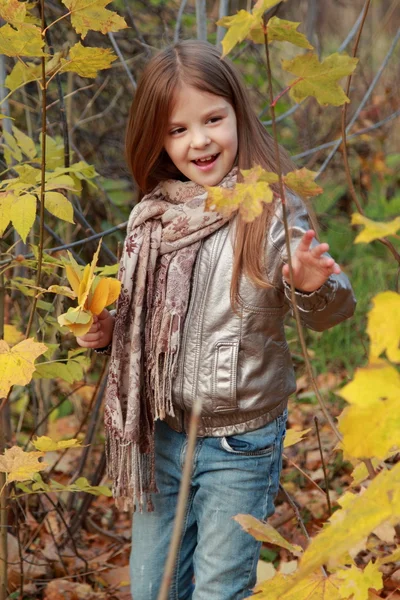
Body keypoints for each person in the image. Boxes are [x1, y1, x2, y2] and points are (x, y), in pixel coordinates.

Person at [75, 40, 356, 600]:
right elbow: (144, 327)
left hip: (239, 444)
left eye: (212, 119)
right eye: (178, 129)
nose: (199, 140)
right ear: (157, 138)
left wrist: (313, 285)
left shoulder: (269, 208)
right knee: (153, 587)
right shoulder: (155, 217)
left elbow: (335, 310)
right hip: (163, 436)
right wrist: (108, 335)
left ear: (237, 116)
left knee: (219, 589)